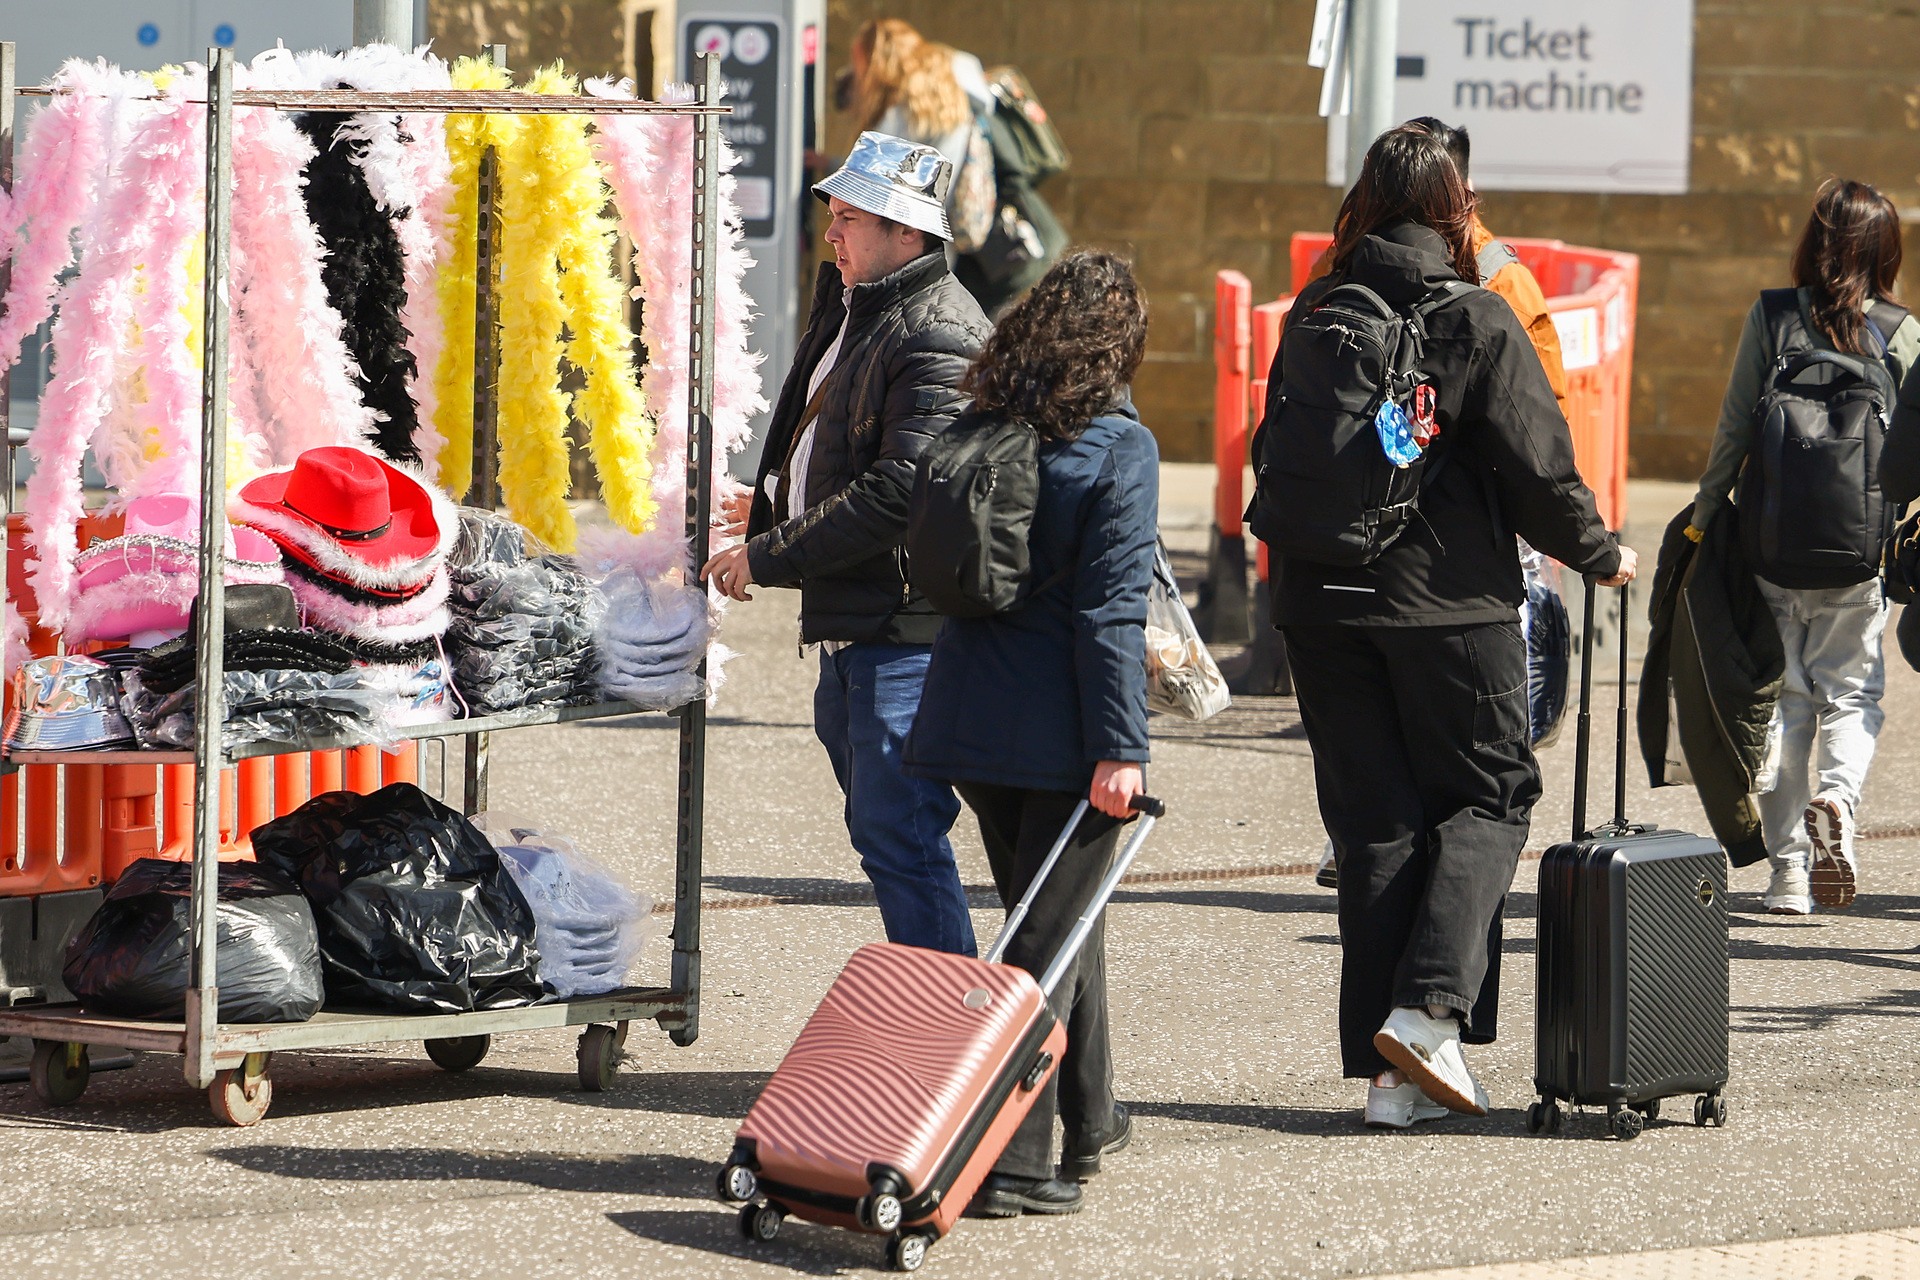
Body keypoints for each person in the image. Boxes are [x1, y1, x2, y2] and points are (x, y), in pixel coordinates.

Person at [1269, 124, 1633, 1129]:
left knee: (1376, 820)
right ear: (1453, 208)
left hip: (1316, 601)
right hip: (1444, 603)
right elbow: (1539, 468)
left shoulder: (1314, 309)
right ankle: (1429, 1014)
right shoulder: (1473, 315)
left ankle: (1391, 1083)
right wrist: (1603, 551)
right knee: (1492, 790)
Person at [905, 251, 1157, 1216]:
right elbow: (1108, 618)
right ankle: (1013, 1163)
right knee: (1039, 954)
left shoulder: (985, 424)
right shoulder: (1118, 450)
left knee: (1053, 921)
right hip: (1062, 741)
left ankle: (1089, 1118)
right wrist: (1121, 750)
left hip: (971, 722)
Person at [702, 133, 991, 957]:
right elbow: (834, 449)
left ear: (909, 233)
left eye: (851, 218)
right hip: (859, 625)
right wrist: (766, 512)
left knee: (901, 836)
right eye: (831, 215)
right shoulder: (860, 302)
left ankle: (946, 1033)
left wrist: (768, 553)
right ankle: (941, 1019)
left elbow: (903, 490)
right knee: (887, 836)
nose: (830, 235)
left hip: (905, 630)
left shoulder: (939, 330)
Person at [1313, 114, 1572, 893]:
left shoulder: (1338, 265)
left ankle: (1361, 846)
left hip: (1343, 539)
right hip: (1458, 548)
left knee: (1370, 727)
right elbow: (1544, 409)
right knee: (1474, 747)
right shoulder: (1500, 275)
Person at [1686, 178, 1920, 916]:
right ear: (1886, 251)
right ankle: (1838, 802)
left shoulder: (1773, 316)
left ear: (1812, 242)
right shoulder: (1901, 329)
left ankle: (1789, 875)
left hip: (1772, 545)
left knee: (1786, 698)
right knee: (1851, 692)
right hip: (1859, 552)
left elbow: (1733, 429)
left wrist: (1701, 518)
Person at [849, 19, 995, 256]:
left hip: (906, 246)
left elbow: (875, 179)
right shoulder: (950, 94)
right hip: (945, 239)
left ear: (879, 60)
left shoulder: (902, 110)